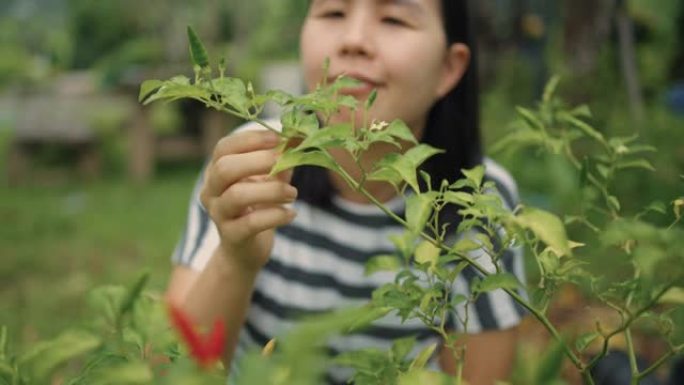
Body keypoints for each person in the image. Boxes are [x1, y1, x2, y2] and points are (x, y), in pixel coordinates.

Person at [165, 1, 527, 384]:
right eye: (333, 12)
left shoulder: (479, 202)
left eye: (394, 18)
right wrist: (235, 258)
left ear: (448, 68)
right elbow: (174, 369)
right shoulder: (251, 163)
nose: (353, 40)